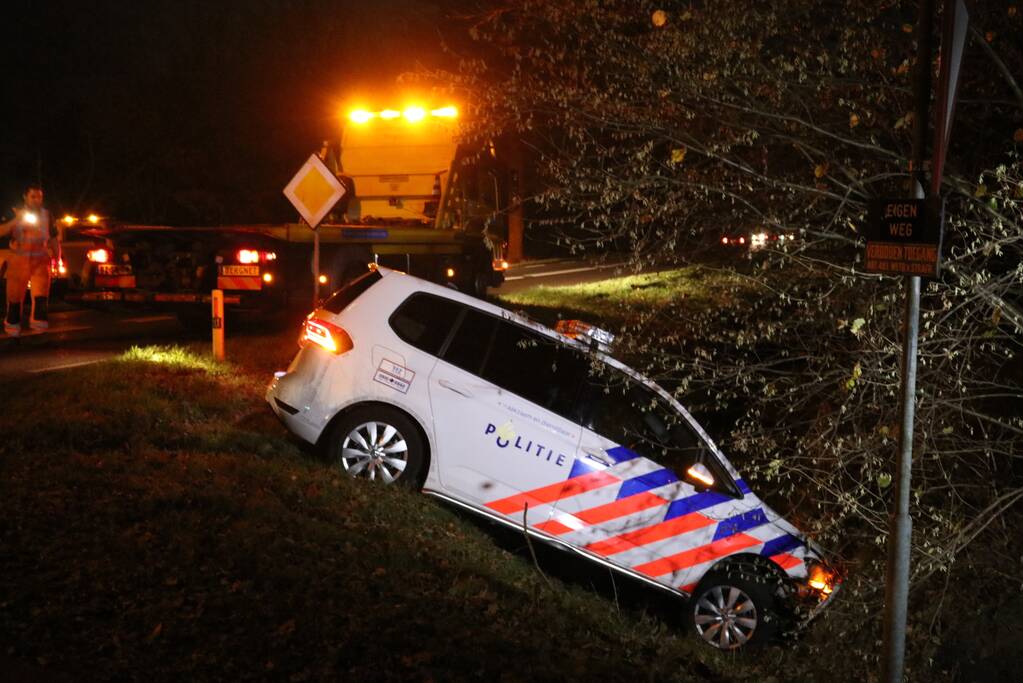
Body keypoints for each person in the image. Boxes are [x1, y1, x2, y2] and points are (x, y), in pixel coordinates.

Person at [0, 184, 58, 336]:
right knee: (14, 298)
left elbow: (53, 238)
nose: (37, 200)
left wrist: (57, 258)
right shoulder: (14, 212)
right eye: (33, 196)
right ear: (25, 197)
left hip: (40, 260)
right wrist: (16, 221)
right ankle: (13, 330)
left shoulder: (47, 215)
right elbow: (1, 231)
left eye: (39, 197)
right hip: (19, 260)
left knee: (41, 298)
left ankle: (40, 331)